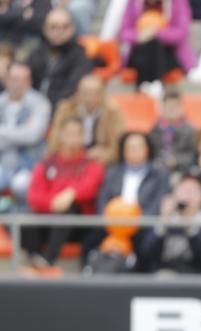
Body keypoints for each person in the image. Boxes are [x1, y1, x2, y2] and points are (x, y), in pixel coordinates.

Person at [24, 115, 104, 275]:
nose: (73, 138)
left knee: (68, 209)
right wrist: (53, 202)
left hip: (79, 225)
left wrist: (71, 193)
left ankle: (48, 261)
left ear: (83, 137)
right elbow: (34, 196)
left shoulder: (91, 163)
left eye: (77, 134)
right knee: (22, 222)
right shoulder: (46, 163)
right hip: (49, 219)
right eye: (69, 133)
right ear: (61, 135)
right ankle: (35, 259)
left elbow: (90, 187)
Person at [93, 131, 171, 267]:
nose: (134, 150)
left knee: (150, 242)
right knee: (91, 241)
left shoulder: (159, 175)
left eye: (138, 146)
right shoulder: (112, 173)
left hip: (142, 226)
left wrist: (134, 223)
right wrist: (111, 221)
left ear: (147, 149)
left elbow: (158, 203)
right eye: (130, 147)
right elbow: (102, 199)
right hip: (112, 225)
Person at [134, 174, 201, 272]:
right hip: (163, 272)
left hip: (194, 275)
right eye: (185, 190)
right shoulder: (164, 215)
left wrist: (189, 224)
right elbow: (146, 251)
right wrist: (164, 221)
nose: (188, 195)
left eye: (193, 191)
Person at [0, 62, 51, 213]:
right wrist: (19, 133)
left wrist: (2, 132)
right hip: (2, 163)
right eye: (15, 79)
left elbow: (32, 136)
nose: (19, 84)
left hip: (28, 165)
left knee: (23, 184)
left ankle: (22, 231)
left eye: (24, 79)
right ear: (6, 80)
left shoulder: (40, 103)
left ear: (30, 82)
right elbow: (25, 134)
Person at [49, 74, 126, 166]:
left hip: (99, 162)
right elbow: (55, 141)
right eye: (86, 93)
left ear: (103, 94)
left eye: (95, 93)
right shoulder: (65, 109)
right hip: (69, 157)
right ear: (78, 93)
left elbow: (117, 146)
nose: (90, 98)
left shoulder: (113, 112)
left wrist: (104, 154)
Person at [26, 7, 93, 110]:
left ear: (72, 29)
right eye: (53, 27)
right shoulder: (36, 53)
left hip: (62, 112)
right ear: (45, 28)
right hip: (31, 109)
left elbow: (72, 91)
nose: (59, 31)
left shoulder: (81, 56)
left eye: (65, 27)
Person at [119, 0, 196, 88]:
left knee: (155, 45)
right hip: (140, 53)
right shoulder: (133, 2)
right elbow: (124, 32)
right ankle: (151, 86)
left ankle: (150, 86)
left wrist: (156, 33)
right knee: (148, 46)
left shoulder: (177, 2)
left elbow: (182, 32)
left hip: (168, 54)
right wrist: (139, 36)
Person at [148, 89, 197, 174]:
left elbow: (193, 156)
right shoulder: (154, 130)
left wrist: (176, 161)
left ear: (181, 107)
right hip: (157, 170)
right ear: (162, 107)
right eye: (168, 106)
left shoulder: (190, 131)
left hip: (182, 171)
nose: (171, 110)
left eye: (175, 106)